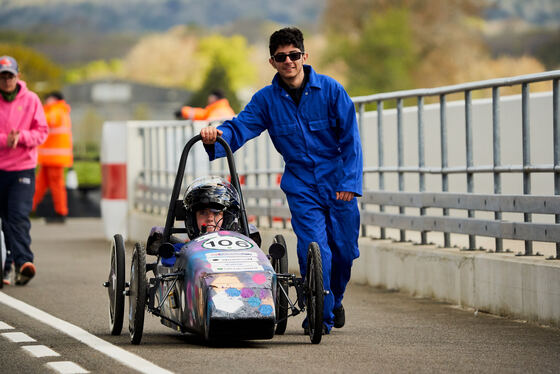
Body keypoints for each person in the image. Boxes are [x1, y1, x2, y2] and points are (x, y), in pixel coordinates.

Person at [200, 27, 363, 334]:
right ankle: (320, 317)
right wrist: (216, 135)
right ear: (272, 62)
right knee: (315, 249)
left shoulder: (331, 91)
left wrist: (349, 182)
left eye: (294, 55)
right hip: (302, 185)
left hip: (338, 182)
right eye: (281, 57)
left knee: (343, 252)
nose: (289, 61)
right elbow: (241, 127)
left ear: (304, 56)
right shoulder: (266, 100)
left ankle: (334, 300)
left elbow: (351, 140)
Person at [0, 55, 48, 286]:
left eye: (10, 75)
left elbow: (42, 131)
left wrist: (21, 137)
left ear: (17, 76)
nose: (6, 80)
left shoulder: (31, 99)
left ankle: (23, 263)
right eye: (2, 76)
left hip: (22, 168)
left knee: (17, 217)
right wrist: (4, 140)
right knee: (3, 221)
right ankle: (6, 265)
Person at [32, 91, 73, 223]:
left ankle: (60, 213)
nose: (45, 102)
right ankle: (25, 210)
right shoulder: (59, 110)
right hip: (50, 158)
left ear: (53, 99)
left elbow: (45, 120)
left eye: (47, 99)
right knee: (40, 185)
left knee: (56, 186)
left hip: (54, 158)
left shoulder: (57, 110)